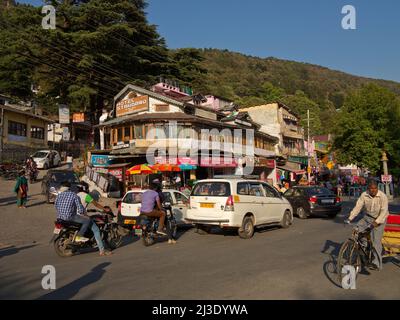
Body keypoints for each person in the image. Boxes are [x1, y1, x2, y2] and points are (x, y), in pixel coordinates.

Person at [55, 181, 111, 256]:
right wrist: (105, 209)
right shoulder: (82, 196)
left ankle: (77, 243)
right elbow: (94, 205)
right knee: (95, 229)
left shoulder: (60, 195)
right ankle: (102, 250)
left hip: (61, 218)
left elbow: (56, 206)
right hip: (75, 217)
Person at [345, 180, 389, 270]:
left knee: (376, 241)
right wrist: (350, 218)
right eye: (371, 188)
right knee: (357, 231)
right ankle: (365, 248)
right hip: (367, 218)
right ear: (368, 189)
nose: (373, 190)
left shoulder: (382, 196)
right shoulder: (364, 195)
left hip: (379, 219)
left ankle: (376, 263)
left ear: (377, 188)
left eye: (375, 188)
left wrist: (376, 222)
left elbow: (384, 211)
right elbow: (358, 207)